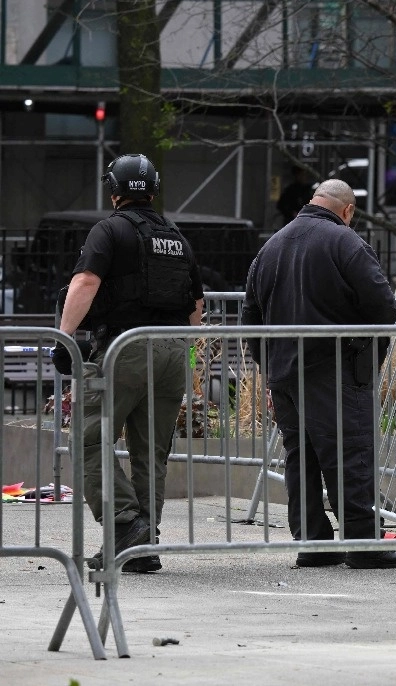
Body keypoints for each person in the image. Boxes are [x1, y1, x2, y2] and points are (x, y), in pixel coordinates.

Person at [242, 179, 396, 570]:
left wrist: (269, 370)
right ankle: (362, 543)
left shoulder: (271, 246)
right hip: (336, 371)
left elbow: (249, 317)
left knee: (299, 457)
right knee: (349, 454)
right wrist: (364, 354)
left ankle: (312, 543)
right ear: (348, 210)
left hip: (284, 374)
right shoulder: (346, 243)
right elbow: (384, 307)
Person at [50, 153, 205, 574]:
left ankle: (124, 522)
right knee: (151, 452)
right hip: (173, 350)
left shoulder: (109, 230)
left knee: (88, 439)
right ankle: (140, 547)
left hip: (125, 349)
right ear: (153, 190)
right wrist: (186, 359)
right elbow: (196, 306)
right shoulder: (176, 237)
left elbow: (85, 282)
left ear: (113, 190)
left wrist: (65, 337)